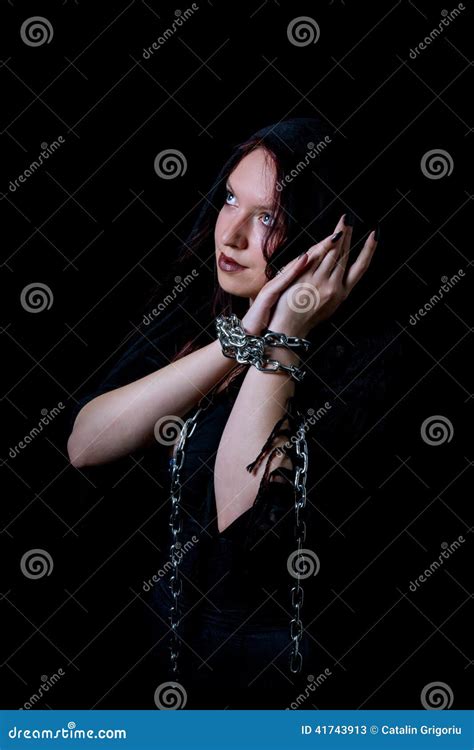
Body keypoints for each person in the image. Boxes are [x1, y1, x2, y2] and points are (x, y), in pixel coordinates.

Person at [67, 117, 395, 709]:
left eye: (268, 217)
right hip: (166, 669)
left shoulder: (365, 369)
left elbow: (241, 523)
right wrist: (242, 334)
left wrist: (286, 331)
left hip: (279, 693)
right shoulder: (203, 315)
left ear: (329, 237)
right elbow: (87, 445)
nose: (233, 235)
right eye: (229, 200)